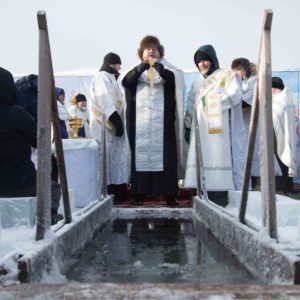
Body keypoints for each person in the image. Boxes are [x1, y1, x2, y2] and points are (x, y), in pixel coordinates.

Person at [122, 35, 185, 205]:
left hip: (163, 126)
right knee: (141, 159)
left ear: (160, 52)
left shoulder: (171, 71)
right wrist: (140, 69)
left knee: (166, 161)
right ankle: (139, 192)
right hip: (141, 126)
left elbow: (174, 83)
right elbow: (126, 83)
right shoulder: (135, 71)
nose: (151, 51)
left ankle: (169, 193)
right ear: (141, 54)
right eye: (147, 49)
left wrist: (161, 70)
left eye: (154, 48)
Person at [0, 67, 62, 225]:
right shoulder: (17, 115)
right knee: (53, 188)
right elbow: (39, 142)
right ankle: (49, 217)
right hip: (21, 182)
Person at [184, 45, 245, 202]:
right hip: (199, 130)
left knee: (217, 156)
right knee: (201, 158)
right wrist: (187, 125)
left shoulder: (226, 75)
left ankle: (219, 193)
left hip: (219, 131)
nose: (202, 64)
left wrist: (211, 102)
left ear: (212, 60)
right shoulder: (197, 82)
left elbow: (235, 94)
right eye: (198, 62)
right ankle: (200, 192)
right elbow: (191, 105)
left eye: (205, 60)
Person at [89, 52, 131, 204]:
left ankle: (119, 189)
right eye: (119, 64)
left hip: (114, 126)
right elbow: (105, 100)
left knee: (117, 159)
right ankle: (111, 190)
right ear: (113, 64)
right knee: (108, 159)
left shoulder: (112, 78)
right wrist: (117, 122)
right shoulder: (102, 77)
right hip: (106, 126)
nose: (120, 67)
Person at [231, 58, 260, 188]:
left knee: (251, 155)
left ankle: (253, 185)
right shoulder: (241, 82)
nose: (238, 73)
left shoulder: (254, 81)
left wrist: (230, 101)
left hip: (251, 123)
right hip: (242, 123)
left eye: (240, 70)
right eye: (236, 70)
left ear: (246, 69)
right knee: (244, 154)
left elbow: (245, 102)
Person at [272, 76, 297, 195]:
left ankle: (288, 187)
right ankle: (285, 187)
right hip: (274, 132)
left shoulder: (283, 98)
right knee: (278, 160)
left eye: (273, 87)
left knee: (284, 160)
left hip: (284, 134)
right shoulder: (275, 98)